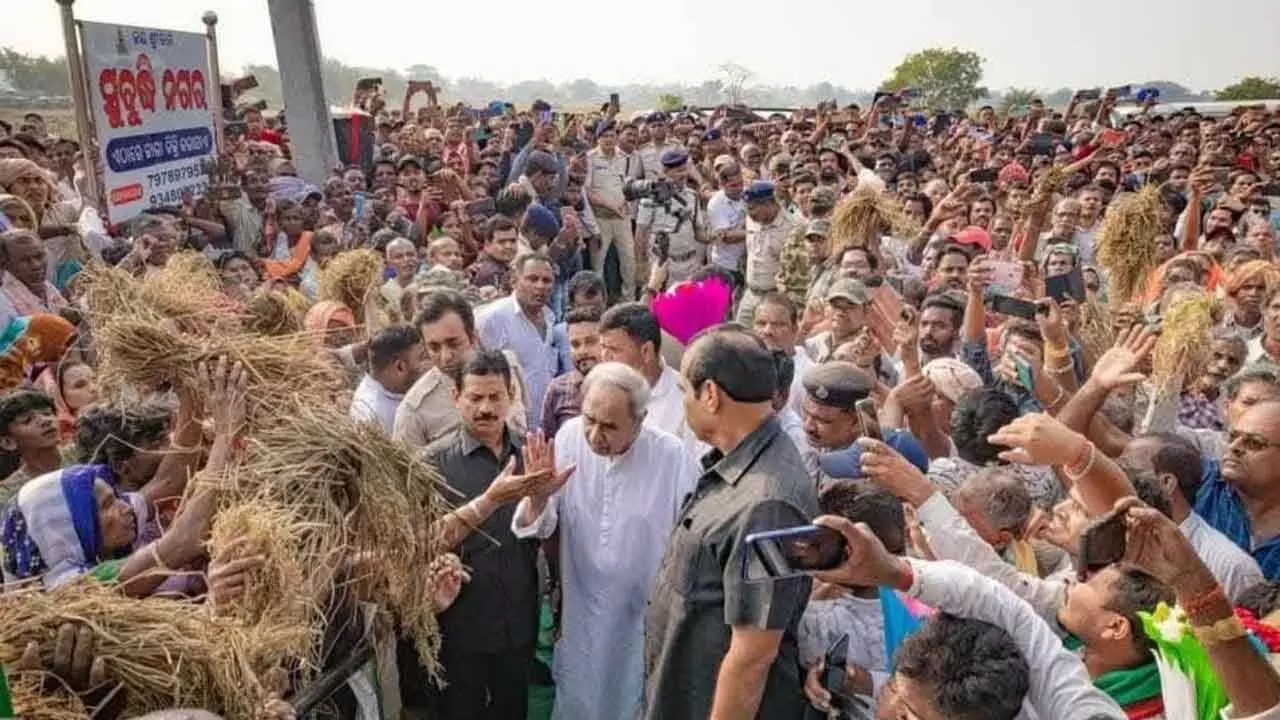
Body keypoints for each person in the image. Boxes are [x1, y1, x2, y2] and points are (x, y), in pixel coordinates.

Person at [644, 325, 819, 719]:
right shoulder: (735, 466)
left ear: (710, 395)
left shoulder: (770, 507)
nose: (682, 402)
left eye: (684, 391)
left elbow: (753, 657)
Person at [513, 362, 697, 719]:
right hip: (581, 605)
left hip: (640, 615)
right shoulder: (567, 438)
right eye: (589, 419)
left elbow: (689, 541)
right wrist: (537, 498)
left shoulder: (671, 457)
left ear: (639, 421)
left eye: (610, 426)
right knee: (580, 696)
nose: (595, 435)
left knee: (632, 698)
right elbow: (540, 522)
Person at [413, 350, 558, 719]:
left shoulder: (533, 453)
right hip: (460, 629)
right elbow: (419, 544)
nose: (486, 409)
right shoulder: (431, 464)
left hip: (518, 622)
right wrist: (488, 502)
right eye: (475, 398)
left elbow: (548, 531)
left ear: (511, 395)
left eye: (495, 397)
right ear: (455, 398)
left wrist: (541, 500)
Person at [394, 291, 528, 448]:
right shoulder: (414, 410)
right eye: (434, 347)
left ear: (473, 338)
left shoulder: (509, 367)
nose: (445, 356)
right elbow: (406, 470)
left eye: (453, 343)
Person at [477, 253, 559, 430]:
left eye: (547, 280)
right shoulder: (492, 318)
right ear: (514, 281)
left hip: (545, 423)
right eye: (532, 279)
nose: (540, 286)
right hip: (509, 426)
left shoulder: (550, 318)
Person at [635, 149, 706, 286]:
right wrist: (640, 266)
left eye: (685, 170)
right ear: (666, 173)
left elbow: (699, 232)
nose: (684, 175)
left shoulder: (692, 196)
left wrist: (715, 237)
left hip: (689, 265)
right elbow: (641, 233)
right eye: (678, 171)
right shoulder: (651, 198)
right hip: (664, 265)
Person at [585, 122, 638, 300]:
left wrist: (626, 201)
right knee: (598, 265)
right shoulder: (590, 158)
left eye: (612, 136)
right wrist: (610, 206)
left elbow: (627, 185)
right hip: (601, 219)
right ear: (598, 138)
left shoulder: (625, 158)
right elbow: (588, 192)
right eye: (604, 136)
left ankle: (628, 300)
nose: (609, 140)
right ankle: (599, 303)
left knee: (629, 262)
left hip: (622, 219)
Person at [737, 181, 798, 324]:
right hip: (750, 293)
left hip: (773, 297)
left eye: (753, 209)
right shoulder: (752, 220)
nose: (749, 213)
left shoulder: (791, 227)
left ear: (768, 204)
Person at [349, 324, 429, 434]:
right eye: (422, 358)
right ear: (400, 367)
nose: (428, 365)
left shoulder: (380, 386)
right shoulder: (378, 418)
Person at [539, 307, 601, 439]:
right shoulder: (558, 389)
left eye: (591, 342)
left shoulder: (625, 386)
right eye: (575, 344)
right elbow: (547, 443)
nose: (583, 351)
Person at [0, 389, 62, 503]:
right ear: (8, 442)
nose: (45, 421)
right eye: (27, 420)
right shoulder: (8, 494)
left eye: (48, 413)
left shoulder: (87, 455)